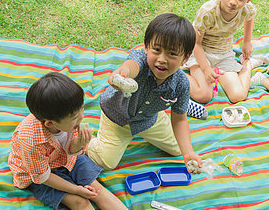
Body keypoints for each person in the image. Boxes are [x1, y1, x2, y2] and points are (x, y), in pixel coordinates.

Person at [8, 72, 157, 210]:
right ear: (49, 123)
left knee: (95, 188)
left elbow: (72, 150)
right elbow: (43, 177)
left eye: (81, 109)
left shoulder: (70, 120)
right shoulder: (31, 141)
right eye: (74, 117)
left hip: (64, 157)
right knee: (79, 201)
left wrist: (78, 145)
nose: (81, 117)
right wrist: (76, 189)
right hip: (40, 174)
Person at [87, 13, 204, 172]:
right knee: (106, 162)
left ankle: (175, 104)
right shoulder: (140, 59)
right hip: (116, 117)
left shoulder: (182, 84)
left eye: (172, 54)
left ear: (185, 58)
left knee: (178, 148)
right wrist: (122, 74)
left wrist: (188, 152)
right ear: (146, 47)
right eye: (156, 49)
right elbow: (131, 66)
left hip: (148, 119)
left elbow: (180, 120)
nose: (162, 59)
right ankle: (83, 139)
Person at [184, 0, 265, 104]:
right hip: (201, 53)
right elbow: (196, 43)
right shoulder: (207, 12)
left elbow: (250, 16)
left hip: (223, 54)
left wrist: (247, 41)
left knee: (238, 95)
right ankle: (172, 74)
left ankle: (248, 63)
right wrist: (206, 68)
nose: (233, 1)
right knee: (203, 95)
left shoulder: (247, 9)